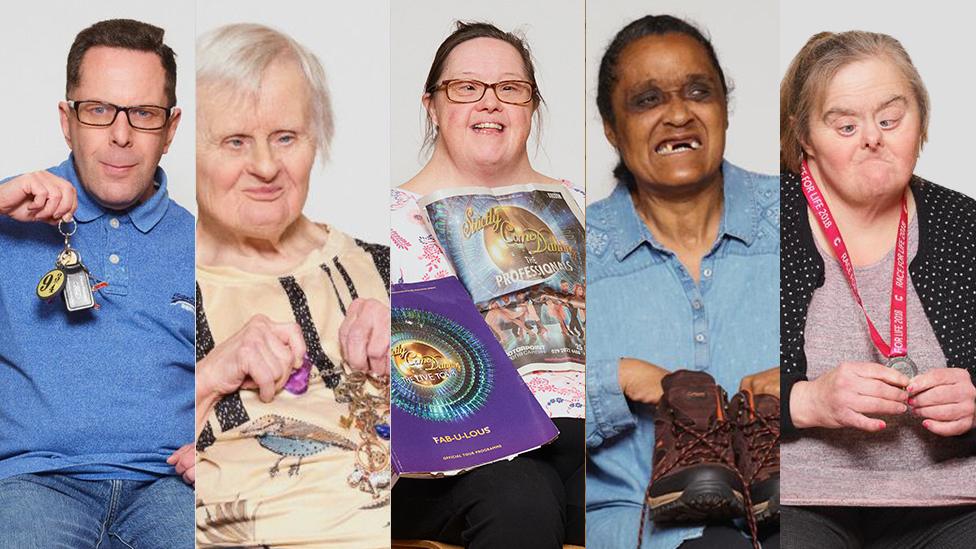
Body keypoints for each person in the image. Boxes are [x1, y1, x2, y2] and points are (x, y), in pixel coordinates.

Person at [585, 15, 781, 549]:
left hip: (789, 516)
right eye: (647, 100)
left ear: (723, 107)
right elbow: (516, 414)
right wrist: (612, 380)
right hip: (635, 525)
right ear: (610, 127)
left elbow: (885, 353)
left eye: (699, 91)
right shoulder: (569, 249)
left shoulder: (802, 218)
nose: (678, 114)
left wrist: (806, 385)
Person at [193, 23, 390, 548]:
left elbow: (484, 436)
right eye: (235, 141)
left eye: (286, 137)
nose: (265, 166)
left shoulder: (385, 267)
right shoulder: (156, 287)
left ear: (316, 139)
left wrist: (420, 345)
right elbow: (105, 470)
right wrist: (211, 374)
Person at [390, 21, 585, 549]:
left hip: (591, 439)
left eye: (510, 89)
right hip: (466, 460)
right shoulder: (383, 223)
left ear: (531, 106)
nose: (490, 103)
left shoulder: (587, 206)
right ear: (431, 104)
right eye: (467, 88)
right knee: (518, 500)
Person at [0, 19, 194, 547]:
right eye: (99, 110)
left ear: (171, 128)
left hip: (169, 488)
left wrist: (222, 444)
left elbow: (267, 382)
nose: (121, 134)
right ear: (68, 120)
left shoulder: (209, 244)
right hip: (36, 483)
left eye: (144, 114)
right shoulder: (12, 210)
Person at [779, 30, 976, 548]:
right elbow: (698, 372)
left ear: (922, 122)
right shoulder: (759, 220)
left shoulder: (965, 225)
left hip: (952, 503)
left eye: (891, 119)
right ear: (804, 137)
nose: (873, 137)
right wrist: (806, 400)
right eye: (846, 125)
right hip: (799, 498)